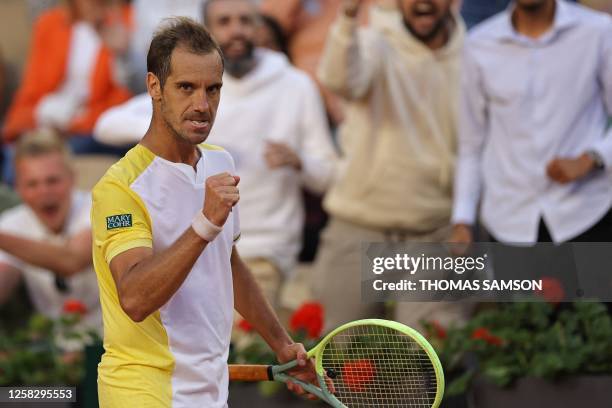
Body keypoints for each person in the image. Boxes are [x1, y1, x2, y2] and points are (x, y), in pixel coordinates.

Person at [91, 18, 316, 407]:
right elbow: (135, 299)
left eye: (213, 89)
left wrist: (282, 345)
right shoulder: (119, 188)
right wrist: (206, 222)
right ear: (154, 87)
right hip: (143, 394)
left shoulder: (218, 162)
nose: (202, 105)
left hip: (208, 392)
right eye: (186, 88)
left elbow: (225, 262)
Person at [94, 0, 337, 308]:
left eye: (245, 21)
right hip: (194, 246)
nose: (236, 31)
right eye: (224, 22)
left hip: (264, 251)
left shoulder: (296, 86)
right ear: (207, 32)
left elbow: (330, 176)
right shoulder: (189, 88)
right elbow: (106, 125)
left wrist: (300, 160)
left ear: (259, 27)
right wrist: (180, 125)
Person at [313, 0, 467, 331]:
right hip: (358, 226)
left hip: (433, 231)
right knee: (339, 357)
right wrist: (349, 16)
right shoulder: (373, 41)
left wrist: (466, 217)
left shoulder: (474, 54)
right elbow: (338, 78)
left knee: (426, 361)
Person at [450, 0, 612, 246]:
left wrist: (591, 159)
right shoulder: (479, 44)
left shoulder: (597, 32)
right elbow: (471, 143)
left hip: (586, 214)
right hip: (509, 223)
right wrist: (462, 219)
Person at [0, 130, 101, 333]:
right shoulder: (11, 223)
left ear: (72, 179)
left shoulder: (98, 206)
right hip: (54, 349)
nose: (44, 192)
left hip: (110, 343)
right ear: (18, 188)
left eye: (52, 181)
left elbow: (72, 261)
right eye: (32, 184)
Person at [2, 0, 132, 154]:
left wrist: (74, 123)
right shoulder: (49, 23)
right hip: (45, 122)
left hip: (91, 130)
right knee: (13, 157)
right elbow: (30, 92)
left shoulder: (126, 21)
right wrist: (40, 113)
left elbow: (123, 101)